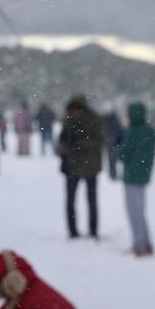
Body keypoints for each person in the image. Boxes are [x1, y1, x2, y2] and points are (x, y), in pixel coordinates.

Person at [58, 95, 105, 239]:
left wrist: (79, 143)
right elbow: (61, 141)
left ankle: (93, 230)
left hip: (90, 166)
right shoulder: (68, 121)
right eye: (73, 109)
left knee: (91, 200)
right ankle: (72, 231)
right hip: (72, 167)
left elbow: (99, 140)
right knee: (70, 201)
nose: (76, 112)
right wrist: (67, 146)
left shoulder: (94, 120)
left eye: (78, 109)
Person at [118, 102, 155, 257]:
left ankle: (139, 245)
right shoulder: (150, 132)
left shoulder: (132, 133)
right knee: (141, 211)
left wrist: (119, 147)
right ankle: (146, 243)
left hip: (131, 177)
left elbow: (123, 154)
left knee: (134, 213)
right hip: (143, 176)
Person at [102, 107, 123, 180]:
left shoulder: (115, 120)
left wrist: (119, 141)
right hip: (107, 143)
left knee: (113, 158)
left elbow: (120, 131)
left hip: (114, 143)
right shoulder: (103, 120)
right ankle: (112, 174)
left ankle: (113, 174)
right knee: (111, 159)